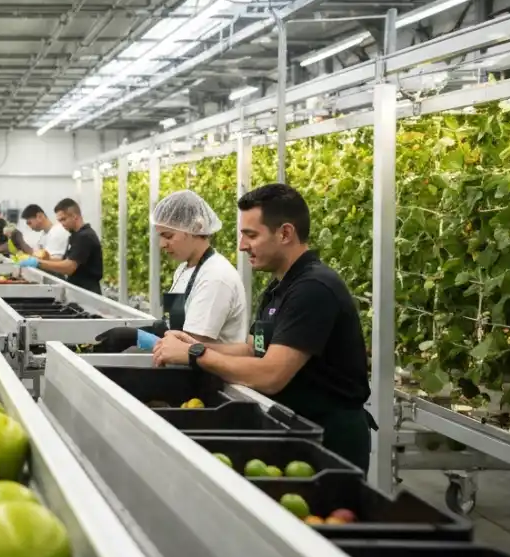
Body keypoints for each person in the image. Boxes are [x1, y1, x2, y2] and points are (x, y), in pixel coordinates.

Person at [152, 184, 373, 472]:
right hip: (297, 426)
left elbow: (271, 374)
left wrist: (195, 353)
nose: (242, 245)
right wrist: (192, 345)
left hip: (328, 438)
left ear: (285, 233)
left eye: (251, 235)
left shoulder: (313, 289)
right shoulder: (279, 286)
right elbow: (253, 349)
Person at [95, 190, 248, 353]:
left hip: (210, 375)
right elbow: (176, 329)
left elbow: (192, 346)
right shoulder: (184, 269)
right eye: (160, 236)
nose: (162, 244)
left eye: (168, 236)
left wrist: (137, 337)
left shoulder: (215, 277)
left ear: (196, 227)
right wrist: (152, 331)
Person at [16, 198, 103, 294]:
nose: (61, 224)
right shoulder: (75, 235)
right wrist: (46, 259)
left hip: (88, 291)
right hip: (77, 289)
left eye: (63, 219)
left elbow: (69, 267)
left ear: (75, 216)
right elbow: (65, 260)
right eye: (59, 220)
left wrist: (38, 263)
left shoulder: (85, 236)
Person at [4, 204, 71, 259]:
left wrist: (20, 241)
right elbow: (34, 253)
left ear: (39, 216)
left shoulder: (57, 232)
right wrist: (20, 242)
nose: (30, 227)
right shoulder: (44, 234)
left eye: (29, 223)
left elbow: (54, 261)